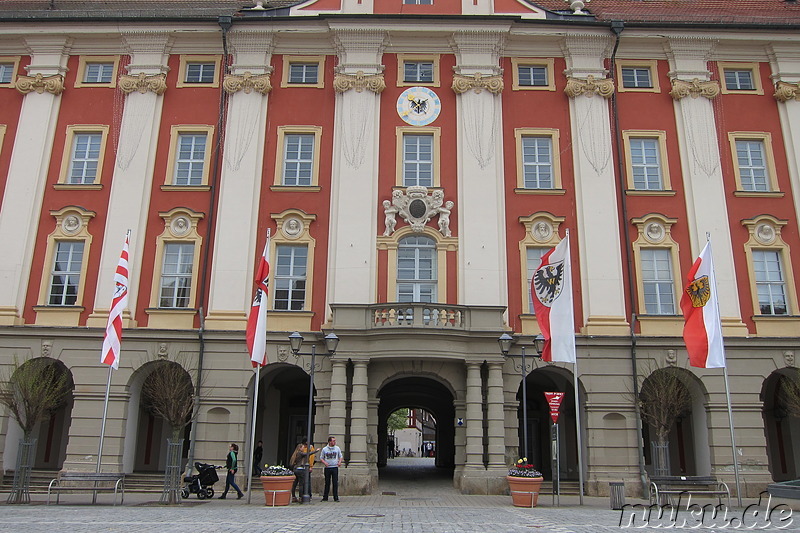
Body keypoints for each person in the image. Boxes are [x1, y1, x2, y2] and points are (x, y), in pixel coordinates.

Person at [289, 439, 315, 503]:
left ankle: (293, 497)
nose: (304, 448)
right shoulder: (300, 453)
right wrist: (315, 451)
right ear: (300, 448)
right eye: (303, 447)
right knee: (301, 484)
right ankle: (301, 497)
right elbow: (308, 454)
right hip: (300, 469)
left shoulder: (295, 454)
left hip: (295, 469)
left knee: (295, 484)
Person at [320, 435, 343, 502]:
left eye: (335, 441)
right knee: (327, 482)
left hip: (335, 467)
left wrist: (339, 462)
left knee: (335, 482)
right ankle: (325, 497)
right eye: (333, 441)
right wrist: (325, 463)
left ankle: (336, 497)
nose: (334, 442)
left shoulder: (337, 448)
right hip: (327, 467)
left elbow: (340, 456)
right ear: (329, 442)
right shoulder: (325, 449)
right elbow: (321, 458)